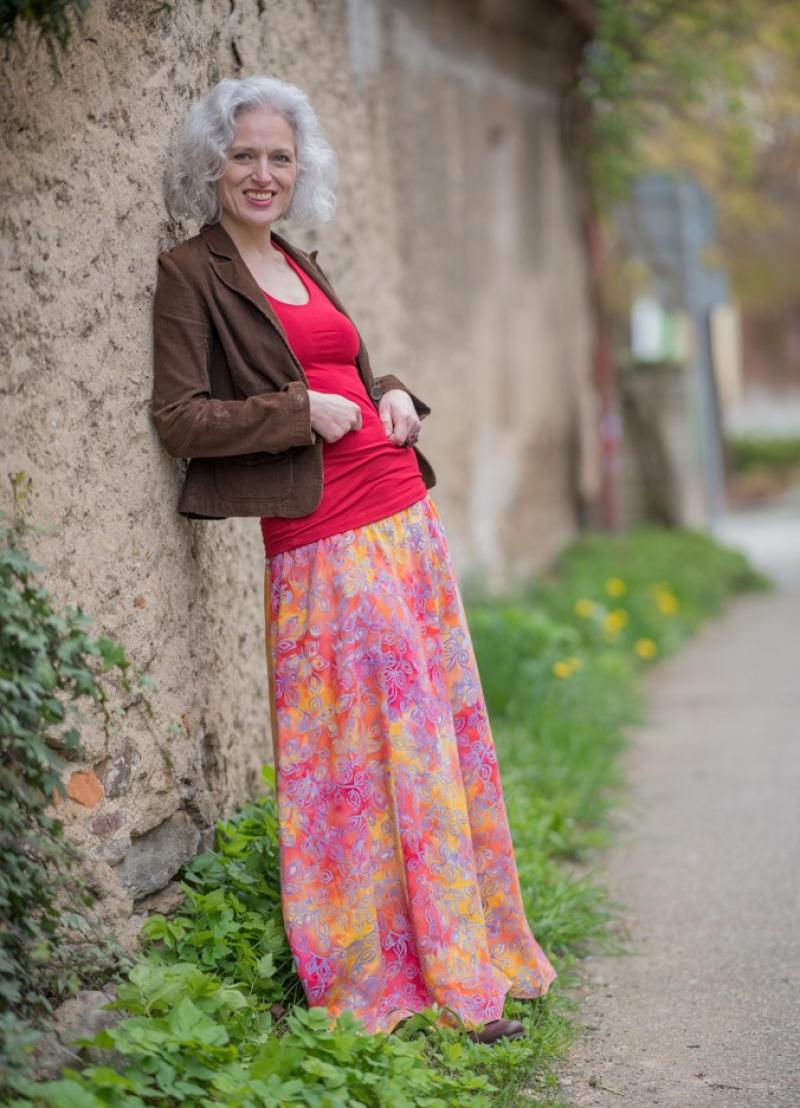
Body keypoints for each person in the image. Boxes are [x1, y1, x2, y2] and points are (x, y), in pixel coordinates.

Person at [151, 75, 556, 1044]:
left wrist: (395, 393)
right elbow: (181, 418)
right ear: (212, 163)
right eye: (243, 155)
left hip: (401, 517)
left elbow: (343, 372)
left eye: (279, 158)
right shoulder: (191, 272)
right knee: (360, 764)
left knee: (435, 742)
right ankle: (390, 973)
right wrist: (298, 414)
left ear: (300, 171)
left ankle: (465, 954)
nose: (262, 173)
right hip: (323, 541)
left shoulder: (300, 259)